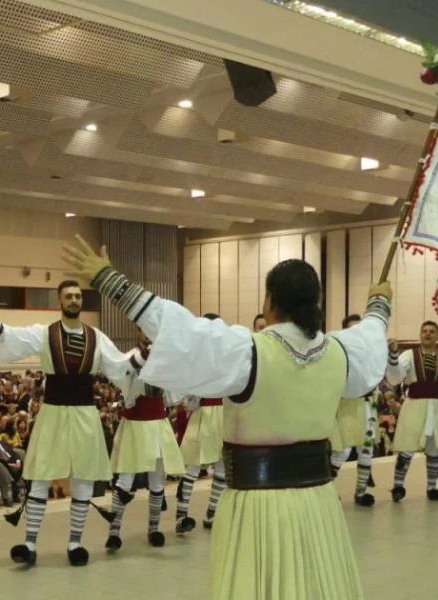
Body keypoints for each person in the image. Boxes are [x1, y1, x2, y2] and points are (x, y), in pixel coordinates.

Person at [62, 235, 390, 600]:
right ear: (315, 304)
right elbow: (371, 337)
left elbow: (179, 329)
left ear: (270, 302)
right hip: (318, 501)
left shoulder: (249, 350)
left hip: (257, 504)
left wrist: (108, 278)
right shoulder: (340, 352)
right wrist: (379, 303)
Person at [0, 281, 133, 567]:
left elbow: (121, 367)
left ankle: (75, 543)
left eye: (78, 295)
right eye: (68, 295)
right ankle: (30, 543)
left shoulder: (98, 337)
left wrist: (150, 354)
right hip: (53, 414)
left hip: (85, 415)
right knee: (40, 477)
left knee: (82, 479)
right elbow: (7, 335)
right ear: (59, 300)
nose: (74, 299)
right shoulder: (44, 334)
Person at [105, 327, 186, 551]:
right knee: (125, 480)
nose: (149, 335)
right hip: (135, 423)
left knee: (157, 481)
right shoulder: (131, 357)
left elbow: (172, 395)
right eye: (145, 330)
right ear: (139, 332)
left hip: (157, 423)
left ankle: (154, 528)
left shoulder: (165, 360)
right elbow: (123, 384)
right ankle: (114, 531)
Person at [386, 321, 438, 501]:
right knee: (407, 449)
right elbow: (395, 377)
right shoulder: (409, 355)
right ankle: (398, 487)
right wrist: (393, 355)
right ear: (420, 334)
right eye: (424, 331)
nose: (427, 334)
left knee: (434, 449)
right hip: (414, 405)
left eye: (432, 331)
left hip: (437, 407)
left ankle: (432, 487)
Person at [174, 313, 227, 533]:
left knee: (222, 466)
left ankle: (212, 511)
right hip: (203, 410)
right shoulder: (195, 356)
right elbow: (185, 390)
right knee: (193, 466)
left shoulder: (226, 353)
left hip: (223, 412)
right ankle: (182, 514)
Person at [329, 314, 380, 507]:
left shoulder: (372, 353)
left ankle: (361, 492)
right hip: (347, 404)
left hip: (367, 404)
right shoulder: (337, 351)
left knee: (366, 450)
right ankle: (329, 490)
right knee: (342, 450)